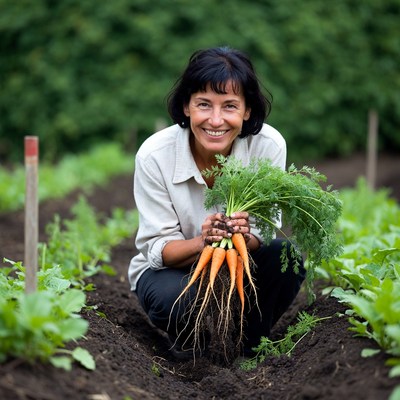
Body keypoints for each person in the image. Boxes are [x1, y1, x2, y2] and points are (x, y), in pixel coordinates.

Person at [128, 46, 305, 360]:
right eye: (204, 104)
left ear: (247, 110)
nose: (216, 119)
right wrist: (203, 241)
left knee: (285, 257)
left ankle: (248, 343)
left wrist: (241, 235)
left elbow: (263, 232)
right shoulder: (154, 155)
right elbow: (158, 249)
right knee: (174, 299)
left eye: (230, 106)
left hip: (241, 262)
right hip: (176, 270)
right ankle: (189, 348)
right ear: (186, 107)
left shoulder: (267, 146)